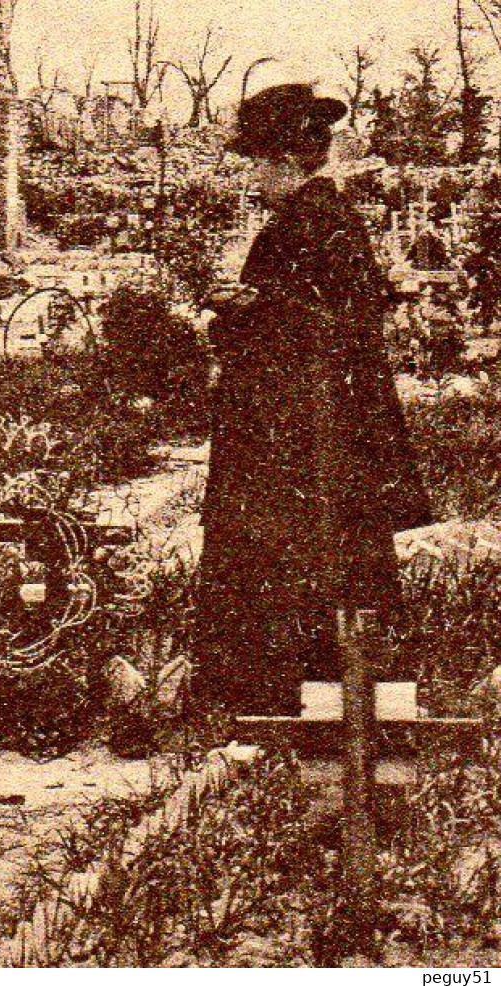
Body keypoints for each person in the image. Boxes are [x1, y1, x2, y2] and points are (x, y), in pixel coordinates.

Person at [196, 82, 432, 716]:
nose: (252, 176)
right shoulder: (323, 221)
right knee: (321, 555)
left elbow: (325, 328)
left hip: (303, 434)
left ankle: (276, 695)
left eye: (255, 162)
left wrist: (243, 312)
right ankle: (310, 689)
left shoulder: (312, 223)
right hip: (315, 427)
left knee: (292, 554)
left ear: (285, 161)